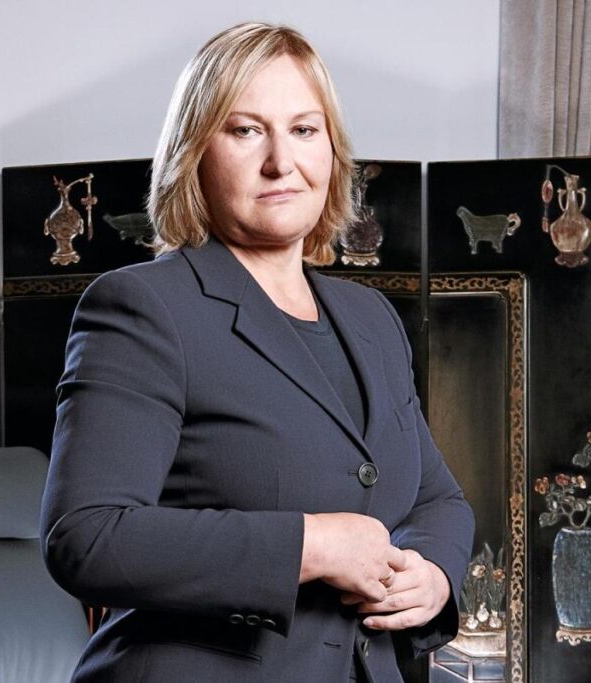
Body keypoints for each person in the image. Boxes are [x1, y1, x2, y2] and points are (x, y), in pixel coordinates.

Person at [40, 22, 474, 683]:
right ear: (194, 153)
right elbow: (86, 535)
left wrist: (434, 574)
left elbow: (437, 499)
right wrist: (312, 545)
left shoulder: (372, 320)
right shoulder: (144, 307)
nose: (281, 161)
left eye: (304, 129)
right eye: (246, 130)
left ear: (332, 151)